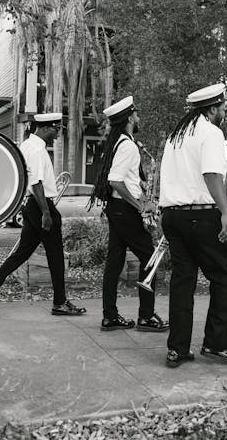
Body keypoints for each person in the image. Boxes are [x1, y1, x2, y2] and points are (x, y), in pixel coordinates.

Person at [158, 83, 227, 368]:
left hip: (172, 215)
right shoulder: (211, 132)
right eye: (223, 107)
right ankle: (216, 344)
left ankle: (177, 349)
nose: (225, 112)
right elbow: (211, 175)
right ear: (212, 108)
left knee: (183, 281)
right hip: (201, 215)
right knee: (223, 276)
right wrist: (225, 212)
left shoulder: (175, 135)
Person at [0, 113, 85, 318]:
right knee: (56, 256)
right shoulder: (37, 150)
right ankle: (60, 303)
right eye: (56, 129)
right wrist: (46, 213)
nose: (58, 134)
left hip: (32, 207)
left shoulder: (27, 146)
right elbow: (36, 183)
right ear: (44, 128)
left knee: (21, 254)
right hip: (40, 206)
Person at [89, 96, 168, 333]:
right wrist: (139, 205)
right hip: (124, 210)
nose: (139, 118)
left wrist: (140, 196)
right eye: (137, 114)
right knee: (150, 259)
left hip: (117, 210)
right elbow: (115, 181)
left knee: (115, 262)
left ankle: (110, 316)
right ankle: (146, 316)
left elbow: (119, 179)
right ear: (130, 117)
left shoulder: (120, 142)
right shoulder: (128, 146)